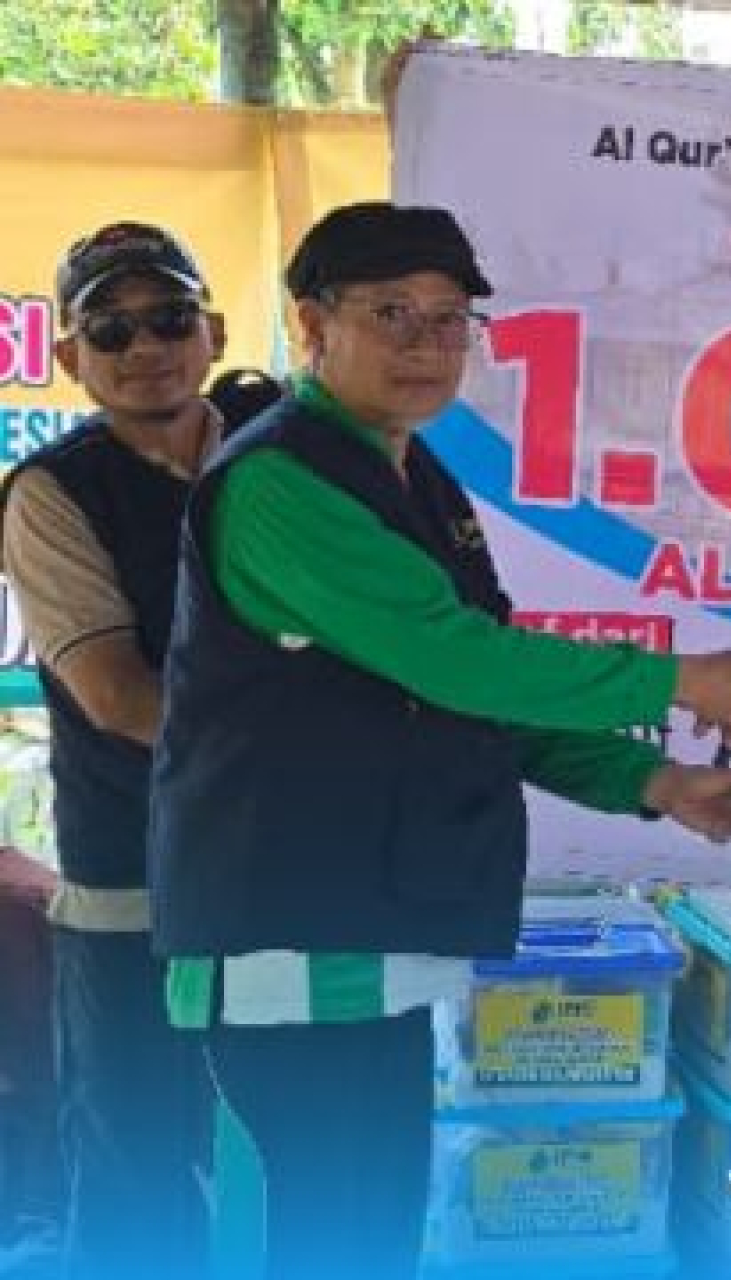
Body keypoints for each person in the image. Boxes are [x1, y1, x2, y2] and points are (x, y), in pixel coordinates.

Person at [146, 201, 731, 1280]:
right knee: (319, 1235)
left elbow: (471, 690)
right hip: (292, 940)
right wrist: (684, 679)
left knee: (378, 1230)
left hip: (380, 926)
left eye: (450, 319)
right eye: (392, 313)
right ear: (311, 323)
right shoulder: (277, 484)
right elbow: (458, 661)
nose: (426, 344)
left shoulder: (414, 472)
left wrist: (656, 779)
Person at [0, 222, 229, 1279]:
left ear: (213, 329)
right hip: (130, 876)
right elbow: (118, 697)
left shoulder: (281, 449)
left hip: (286, 882)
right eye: (111, 329)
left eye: (169, 317)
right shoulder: (50, 493)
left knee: (282, 1154)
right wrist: (325, 749)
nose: (146, 347)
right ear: (68, 357)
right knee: (135, 1162)